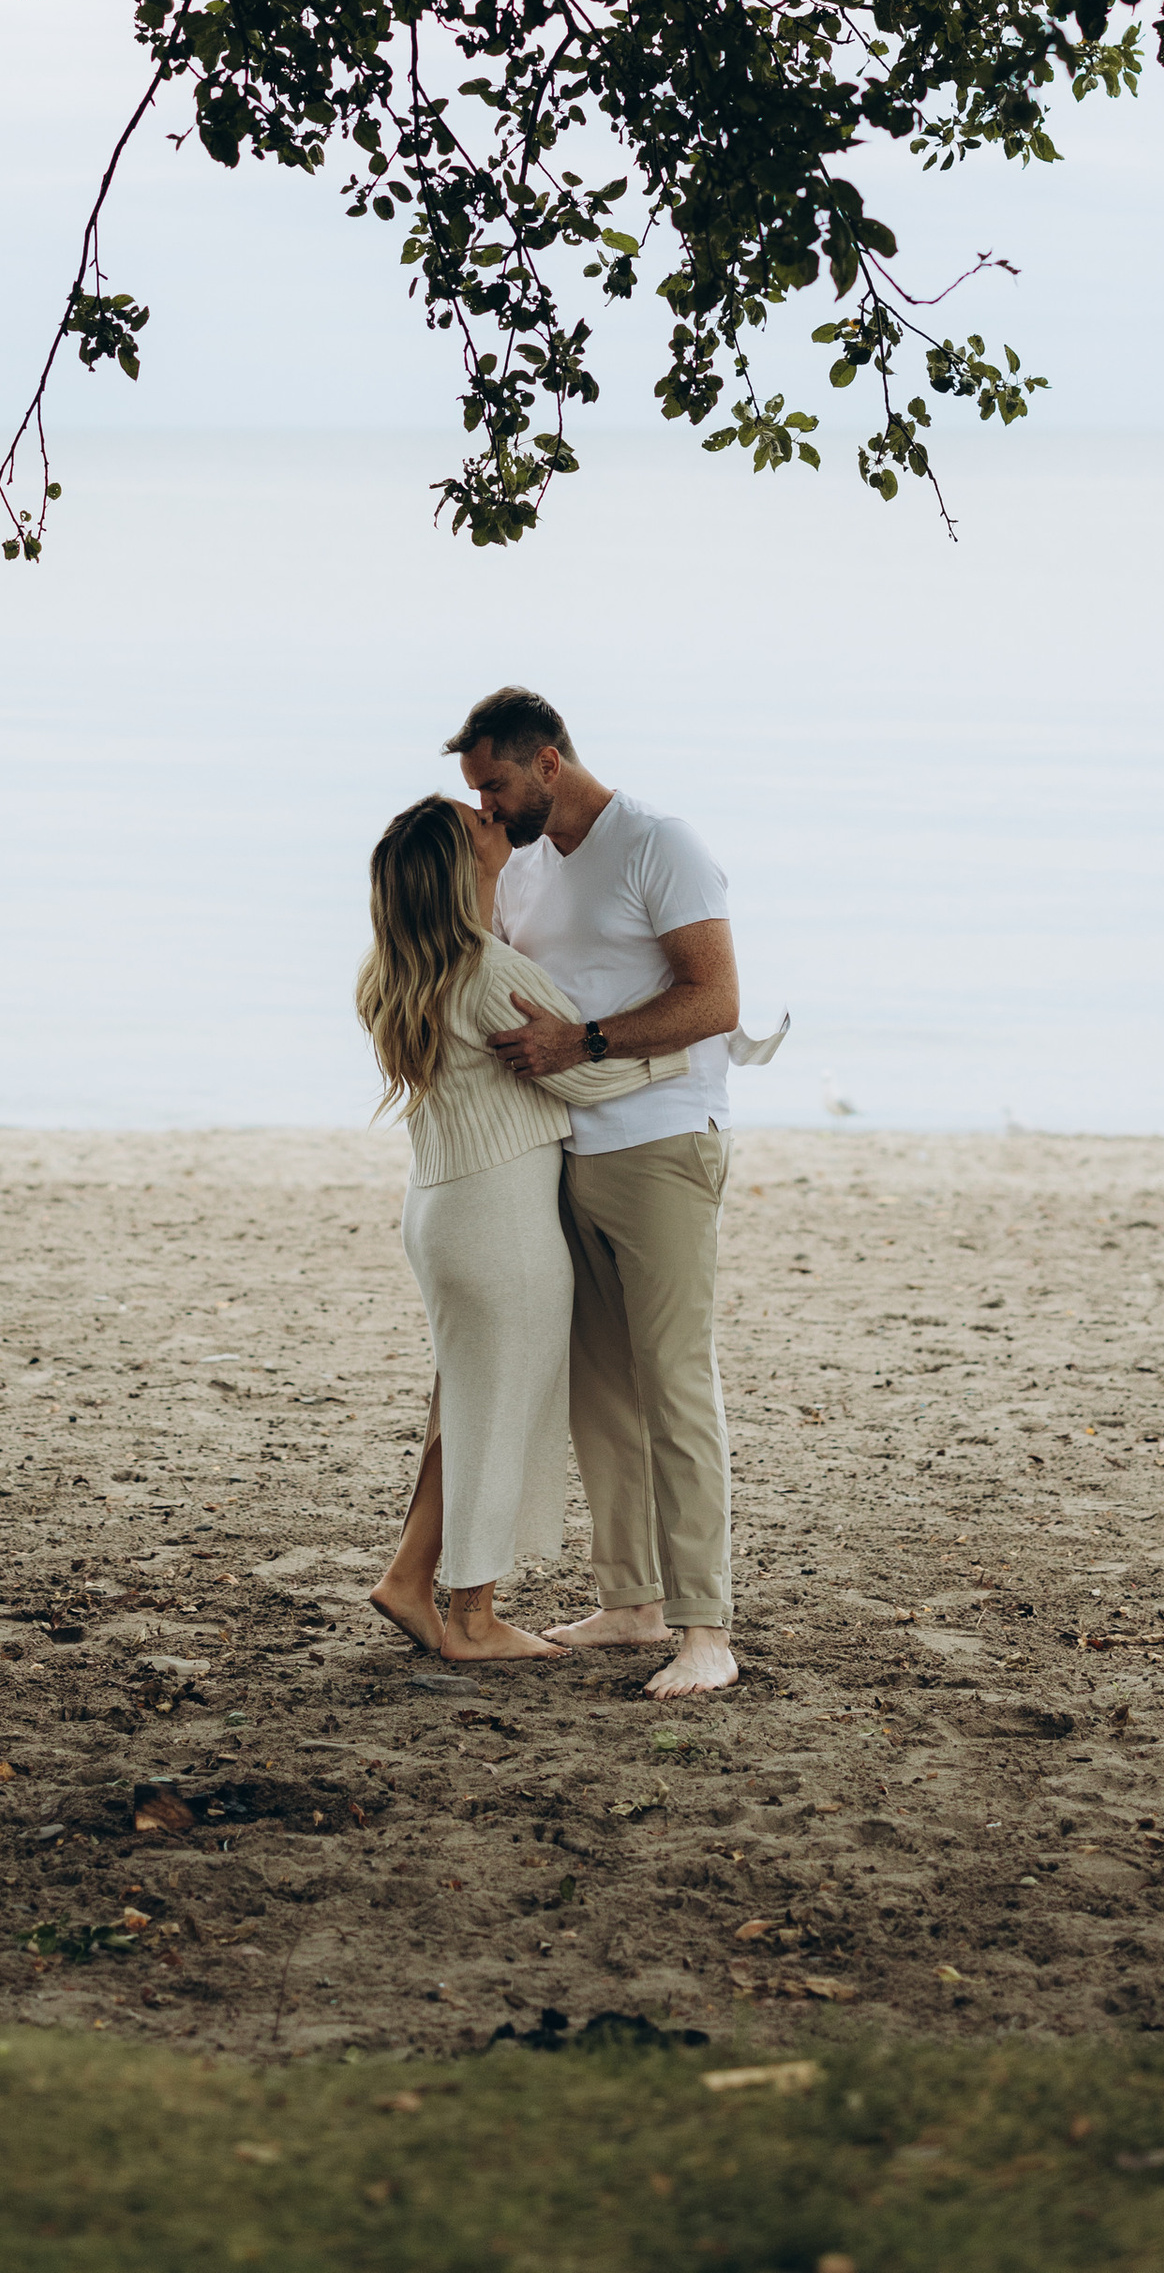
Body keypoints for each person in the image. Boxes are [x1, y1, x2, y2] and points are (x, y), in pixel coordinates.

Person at [448, 686, 753, 1700]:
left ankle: (706, 1631)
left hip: (664, 1143)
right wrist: (485, 874)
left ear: (547, 762)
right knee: (601, 1394)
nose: (486, 806)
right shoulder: (523, 861)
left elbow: (715, 999)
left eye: (494, 785)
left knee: (673, 1384)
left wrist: (582, 1040)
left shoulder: (658, 843)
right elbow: (492, 967)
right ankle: (633, 1601)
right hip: (563, 1149)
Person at [357, 794, 686, 1664]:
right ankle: (472, 1619)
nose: (495, 820)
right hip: (500, 1222)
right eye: (479, 826)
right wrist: (689, 1048)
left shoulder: (391, 970)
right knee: (497, 1416)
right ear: (462, 868)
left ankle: (406, 1577)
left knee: (462, 1411)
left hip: (437, 1213)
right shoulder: (488, 971)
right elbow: (582, 1076)